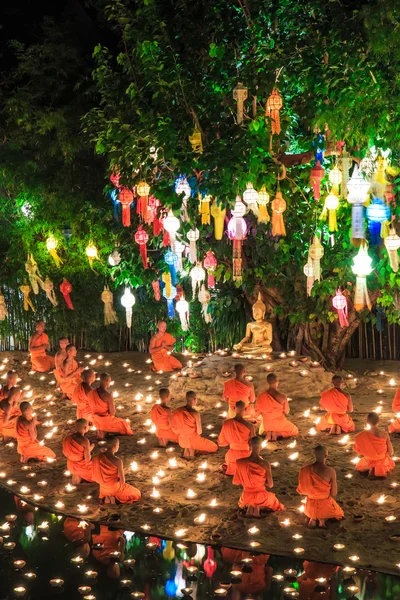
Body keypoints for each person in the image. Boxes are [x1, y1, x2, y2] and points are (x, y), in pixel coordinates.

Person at [233, 436, 284, 516]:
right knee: (274, 501)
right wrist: (260, 483)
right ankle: (257, 507)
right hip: (261, 496)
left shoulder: (240, 462)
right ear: (261, 447)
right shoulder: (265, 463)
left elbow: (236, 482)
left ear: (249, 446)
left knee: (244, 502)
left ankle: (251, 506)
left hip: (246, 496)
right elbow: (270, 485)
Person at [297, 445, 344, 529]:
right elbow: (334, 493)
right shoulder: (330, 471)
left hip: (310, 507)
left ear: (313, 454)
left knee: (312, 503)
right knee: (338, 512)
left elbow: (302, 490)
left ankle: (313, 518)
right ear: (326, 456)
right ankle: (322, 520)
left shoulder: (304, 469)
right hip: (325, 507)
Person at [92, 436, 140, 504]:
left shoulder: (96, 458)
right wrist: (123, 472)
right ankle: (115, 497)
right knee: (137, 493)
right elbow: (122, 481)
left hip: (103, 489)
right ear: (115, 446)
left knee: (110, 491)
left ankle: (108, 497)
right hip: (115, 488)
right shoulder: (117, 461)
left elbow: (96, 474)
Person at [171, 391, 218, 458]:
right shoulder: (195, 413)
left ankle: (188, 449)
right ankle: (192, 450)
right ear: (194, 400)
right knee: (214, 447)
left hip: (182, 441)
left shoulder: (178, 411)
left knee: (190, 442)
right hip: (193, 440)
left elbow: (174, 429)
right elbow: (199, 432)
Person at [88, 373, 133, 438]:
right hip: (106, 421)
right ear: (106, 381)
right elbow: (112, 413)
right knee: (125, 424)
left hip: (96, 420)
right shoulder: (108, 395)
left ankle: (102, 429)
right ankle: (105, 430)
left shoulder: (91, 393)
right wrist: (111, 398)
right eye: (109, 381)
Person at [255, 373, 298, 440]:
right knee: (294, 430)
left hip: (267, 425)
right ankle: (277, 434)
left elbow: (257, 412)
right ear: (277, 381)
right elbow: (287, 412)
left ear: (267, 381)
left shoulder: (260, 396)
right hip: (280, 423)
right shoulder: (282, 397)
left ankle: (269, 433)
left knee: (262, 429)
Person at [354, 412, 395, 478]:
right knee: (390, 463)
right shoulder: (384, 434)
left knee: (359, 466)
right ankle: (378, 468)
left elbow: (359, 452)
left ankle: (370, 467)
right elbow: (390, 452)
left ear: (367, 422)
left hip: (368, 460)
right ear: (378, 421)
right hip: (382, 459)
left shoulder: (361, 435)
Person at [218, 400, 254, 475]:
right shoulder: (250, 426)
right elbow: (254, 443)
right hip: (246, 455)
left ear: (234, 409)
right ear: (245, 410)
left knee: (229, 461)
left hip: (231, 455)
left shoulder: (226, 423)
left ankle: (232, 469)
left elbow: (221, 442)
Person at [62, 419, 94, 484]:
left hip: (70, 465)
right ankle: (80, 474)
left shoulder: (68, 437)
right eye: (88, 425)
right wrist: (89, 449)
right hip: (81, 467)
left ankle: (77, 475)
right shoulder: (85, 441)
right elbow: (87, 459)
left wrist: (88, 449)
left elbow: (66, 452)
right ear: (85, 427)